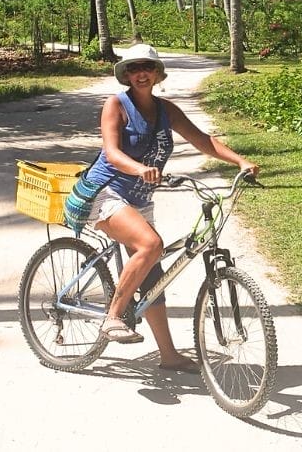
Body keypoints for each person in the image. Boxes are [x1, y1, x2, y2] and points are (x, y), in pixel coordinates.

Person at [83, 44, 259, 373]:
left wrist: (240, 161)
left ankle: (169, 356)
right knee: (150, 245)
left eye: (147, 67)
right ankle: (112, 317)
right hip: (104, 192)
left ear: (157, 73)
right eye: (134, 68)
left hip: (138, 199)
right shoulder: (116, 105)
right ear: (126, 75)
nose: (141, 73)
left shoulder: (167, 111)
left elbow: (203, 140)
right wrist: (138, 169)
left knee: (153, 278)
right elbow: (110, 153)